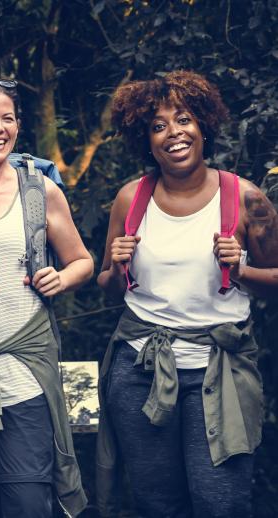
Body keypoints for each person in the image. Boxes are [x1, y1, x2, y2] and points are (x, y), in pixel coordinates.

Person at [96, 70, 278, 517]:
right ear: (147, 139)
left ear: (203, 126)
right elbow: (107, 285)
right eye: (158, 126)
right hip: (140, 368)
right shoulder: (130, 199)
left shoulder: (246, 198)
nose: (173, 133)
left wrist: (242, 269)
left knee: (221, 502)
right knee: (156, 502)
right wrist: (117, 266)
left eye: (183, 119)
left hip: (219, 373)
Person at [0, 77, 93, 518]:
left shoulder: (38, 191)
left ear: (17, 127)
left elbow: (83, 261)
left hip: (23, 374)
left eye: (7, 119)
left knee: (27, 502)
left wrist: (61, 279)